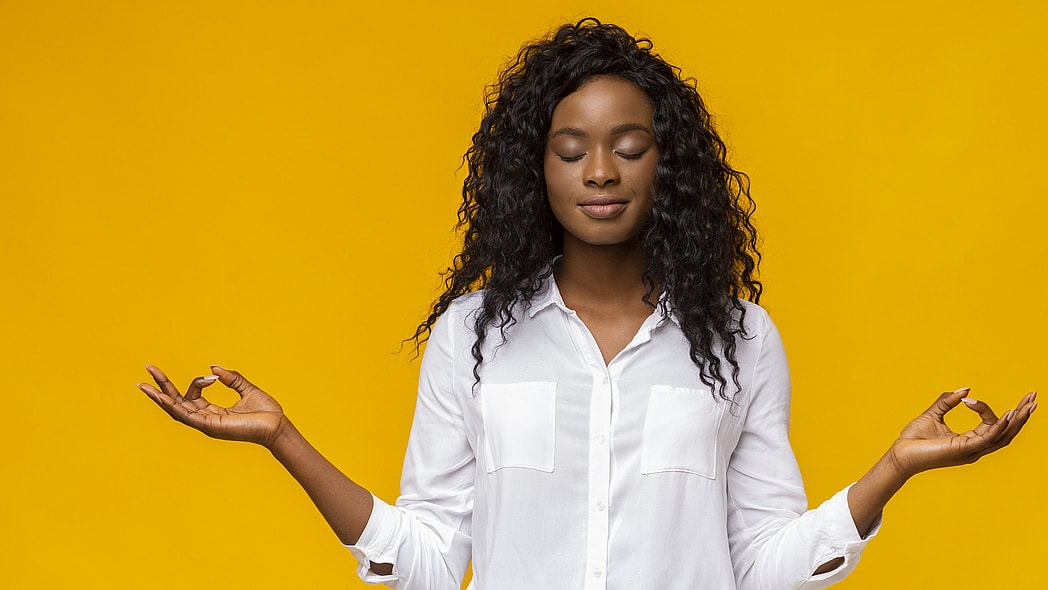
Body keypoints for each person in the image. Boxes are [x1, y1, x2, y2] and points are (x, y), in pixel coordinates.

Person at [138, 18, 1035, 590]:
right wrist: (285, 442)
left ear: (666, 165)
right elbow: (426, 561)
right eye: (571, 149)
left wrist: (891, 472)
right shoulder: (472, 338)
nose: (599, 172)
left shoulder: (741, 338)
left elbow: (761, 566)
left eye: (627, 146)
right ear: (536, 170)